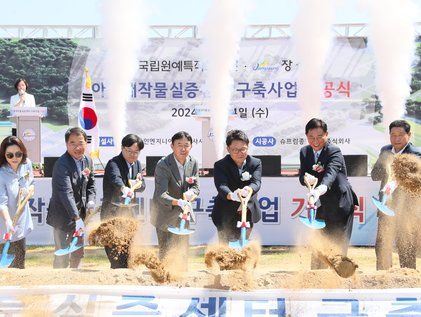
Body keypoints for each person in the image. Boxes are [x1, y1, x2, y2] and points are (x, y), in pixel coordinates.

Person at [299, 118, 358, 269]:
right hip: (322, 203)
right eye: (311, 137)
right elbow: (302, 175)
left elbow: (330, 176)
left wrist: (318, 190)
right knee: (319, 241)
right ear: (306, 136)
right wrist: (307, 179)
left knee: (338, 242)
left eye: (319, 137)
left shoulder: (334, 151)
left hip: (341, 202)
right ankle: (317, 278)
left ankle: (340, 279)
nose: (315, 141)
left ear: (327, 134)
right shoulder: (305, 152)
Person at [371, 120, 421, 270]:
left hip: (406, 210)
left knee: (405, 245)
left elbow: (417, 180)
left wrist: (396, 178)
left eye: (400, 135)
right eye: (393, 135)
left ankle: (407, 278)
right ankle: (382, 277)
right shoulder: (385, 150)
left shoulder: (416, 153)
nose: (396, 138)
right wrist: (385, 165)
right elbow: (374, 175)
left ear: (409, 135)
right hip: (385, 206)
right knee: (381, 244)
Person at [46, 127, 96, 269]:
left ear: (86, 143)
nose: (77, 147)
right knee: (62, 253)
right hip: (62, 216)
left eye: (80, 143)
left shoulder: (88, 161)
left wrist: (91, 201)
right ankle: (59, 286)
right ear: (66, 144)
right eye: (72, 143)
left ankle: (75, 281)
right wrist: (76, 218)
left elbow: (91, 184)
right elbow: (65, 193)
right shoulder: (62, 164)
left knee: (78, 252)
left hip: (80, 215)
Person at [151, 131, 200, 264]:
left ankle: (182, 280)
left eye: (186, 145)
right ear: (172, 146)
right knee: (166, 253)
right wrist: (178, 202)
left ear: (191, 146)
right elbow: (160, 195)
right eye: (179, 145)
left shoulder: (193, 162)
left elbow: (196, 186)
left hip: (183, 215)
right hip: (165, 214)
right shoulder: (163, 164)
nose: (183, 149)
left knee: (182, 252)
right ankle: (163, 280)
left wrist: (192, 193)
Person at [101, 134, 146, 268]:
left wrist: (138, 184)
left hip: (129, 214)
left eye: (136, 152)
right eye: (129, 151)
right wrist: (124, 188)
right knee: (116, 253)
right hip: (112, 214)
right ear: (122, 148)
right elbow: (116, 179)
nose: (133, 155)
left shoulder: (137, 164)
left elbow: (142, 186)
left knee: (128, 252)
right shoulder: (113, 163)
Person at [211, 130, 262, 244]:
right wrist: (232, 195)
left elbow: (256, 182)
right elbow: (221, 185)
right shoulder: (220, 165)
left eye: (243, 149)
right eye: (235, 149)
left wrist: (249, 189)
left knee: (244, 246)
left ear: (247, 147)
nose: (240, 153)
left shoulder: (255, 163)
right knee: (225, 249)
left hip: (247, 210)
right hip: (226, 212)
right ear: (228, 149)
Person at [0, 136, 34, 269]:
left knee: (19, 267)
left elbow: (31, 182)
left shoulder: (27, 164)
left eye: (18, 154)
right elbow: (2, 202)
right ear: (4, 155)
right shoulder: (1, 173)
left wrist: (30, 189)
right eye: (10, 155)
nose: (15, 158)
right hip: (4, 225)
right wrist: (8, 221)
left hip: (21, 222)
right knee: (4, 271)